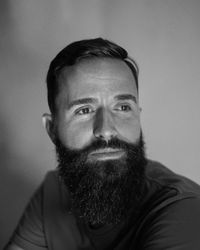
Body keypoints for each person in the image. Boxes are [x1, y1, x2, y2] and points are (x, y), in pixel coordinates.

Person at [5, 38, 200, 250]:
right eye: (84, 110)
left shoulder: (183, 208)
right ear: (52, 129)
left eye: (123, 108)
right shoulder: (53, 192)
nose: (107, 130)